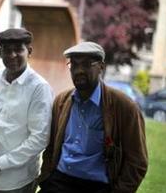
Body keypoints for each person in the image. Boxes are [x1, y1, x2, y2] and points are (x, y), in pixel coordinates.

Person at [38, 41, 148, 193]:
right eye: (74, 65)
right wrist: (46, 179)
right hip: (58, 181)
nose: (79, 70)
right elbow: (50, 148)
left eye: (87, 64)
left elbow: (137, 162)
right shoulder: (61, 102)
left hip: (97, 186)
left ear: (101, 67)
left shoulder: (124, 107)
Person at [0, 28, 53, 193]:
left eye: (18, 50)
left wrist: (0, 163)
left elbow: (40, 138)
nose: (12, 55)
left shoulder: (39, 88)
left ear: (29, 51)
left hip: (16, 181)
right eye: (7, 50)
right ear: (0, 53)